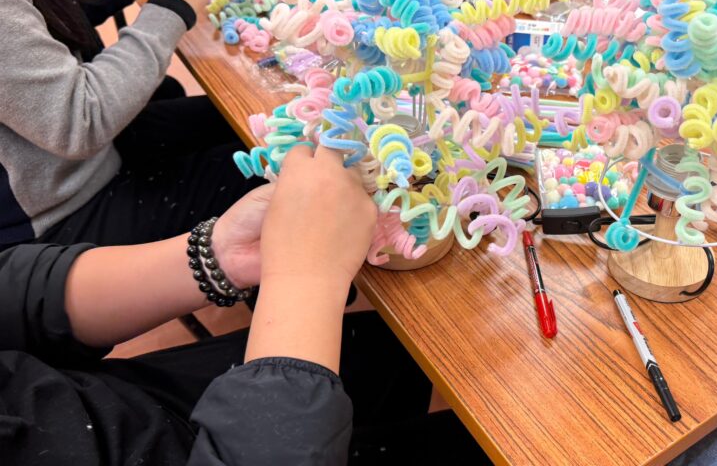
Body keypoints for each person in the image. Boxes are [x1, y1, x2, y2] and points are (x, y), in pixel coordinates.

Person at [0, 145, 487, 465]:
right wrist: (303, 279)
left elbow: (12, 294)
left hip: (111, 406)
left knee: (392, 354)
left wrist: (216, 258)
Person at [0, 0, 257, 251]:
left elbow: (40, 10)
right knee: (280, 171)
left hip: (84, 156)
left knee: (252, 123)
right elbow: (79, 121)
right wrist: (173, 4)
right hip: (59, 211)